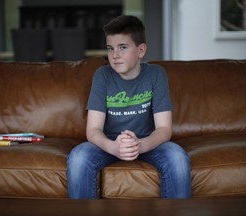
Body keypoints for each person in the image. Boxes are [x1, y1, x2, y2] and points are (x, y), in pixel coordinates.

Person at [67, 15, 191, 199]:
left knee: (178, 158)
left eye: (122, 47)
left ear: (141, 50)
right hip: (109, 142)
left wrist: (141, 145)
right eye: (110, 48)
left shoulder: (156, 74)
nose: (115, 55)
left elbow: (164, 129)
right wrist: (113, 147)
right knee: (78, 158)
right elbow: (93, 130)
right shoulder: (102, 76)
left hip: (148, 141)